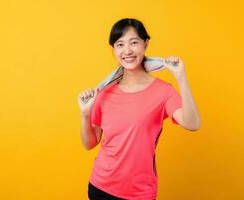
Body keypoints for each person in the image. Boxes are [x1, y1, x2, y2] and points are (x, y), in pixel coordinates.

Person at [78, 18, 201, 200]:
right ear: (114, 50)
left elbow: (193, 123)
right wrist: (85, 114)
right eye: (120, 44)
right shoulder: (104, 93)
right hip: (101, 187)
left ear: (145, 44)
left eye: (133, 42)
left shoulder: (163, 91)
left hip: (139, 192)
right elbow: (90, 143)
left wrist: (180, 77)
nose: (127, 51)